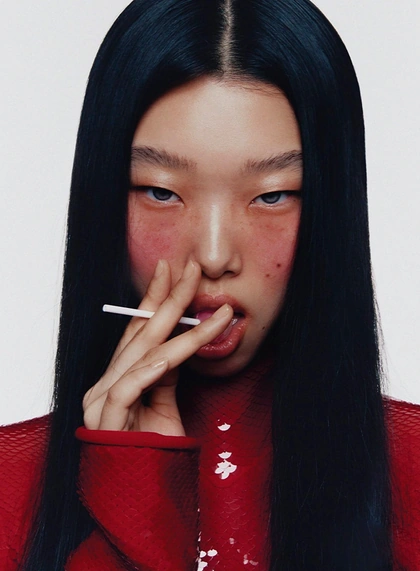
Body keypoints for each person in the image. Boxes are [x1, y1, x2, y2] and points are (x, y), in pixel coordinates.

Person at [0, 0, 419, 569]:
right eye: (161, 191)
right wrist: (133, 495)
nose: (215, 256)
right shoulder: (9, 490)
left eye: (273, 195)